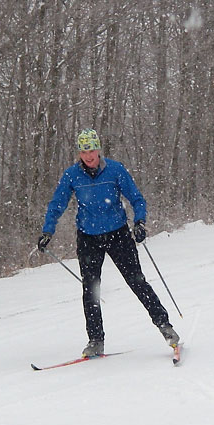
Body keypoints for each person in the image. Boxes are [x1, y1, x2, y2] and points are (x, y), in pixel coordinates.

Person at [37, 128, 180, 358]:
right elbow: (57, 203)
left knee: (137, 282)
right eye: (84, 151)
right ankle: (96, 340)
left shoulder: (115, 170)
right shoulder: (72, 175)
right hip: (88, 238)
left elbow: (136, 198)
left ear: (99, 149)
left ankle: (166, 327)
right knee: (90, 290)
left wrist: (140, 222)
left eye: (92, 150)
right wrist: (47, 231)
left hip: (118, 234)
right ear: (79, 153)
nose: (89, 156)